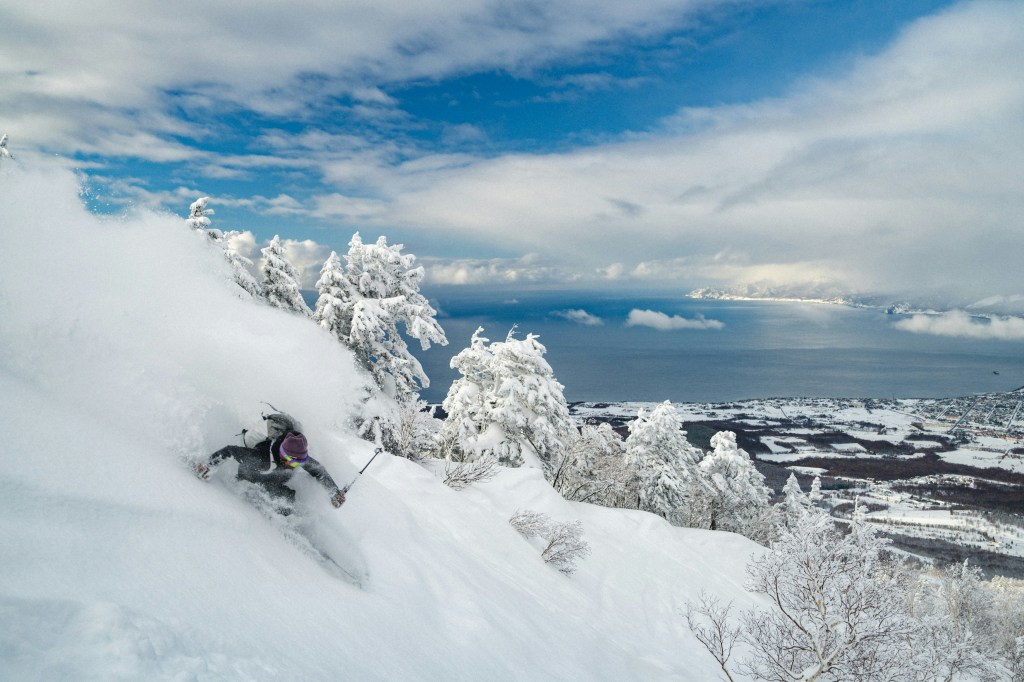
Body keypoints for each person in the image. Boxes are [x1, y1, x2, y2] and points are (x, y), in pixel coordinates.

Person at [196, 431, 346, 510]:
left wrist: (334, 492)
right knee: (271, 493)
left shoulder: (297, 456)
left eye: (299, 462)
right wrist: (209, 465)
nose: (295, 465)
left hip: (271, 481)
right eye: (293, 461)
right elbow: (229, 450)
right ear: (283, 454)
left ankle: (282, 525)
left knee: (287, 499)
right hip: (249, 478)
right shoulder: (261, 457)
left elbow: (318, 470)